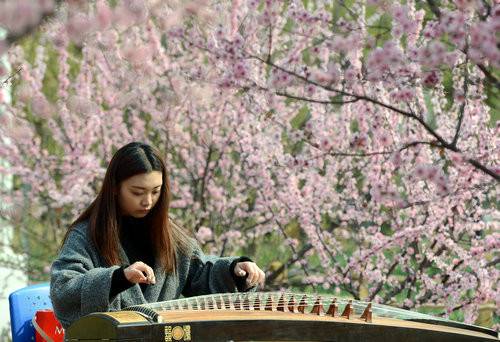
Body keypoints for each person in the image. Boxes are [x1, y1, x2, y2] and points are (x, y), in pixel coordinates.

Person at [50, 142, 265, 329]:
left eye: (155, 191)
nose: (148, 202)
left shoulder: (167, 233)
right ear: (115, 188)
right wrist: (119, 278)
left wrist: (234, 270)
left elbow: (199, 272)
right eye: (137, 192)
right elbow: (63, 290)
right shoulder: (85, 236)